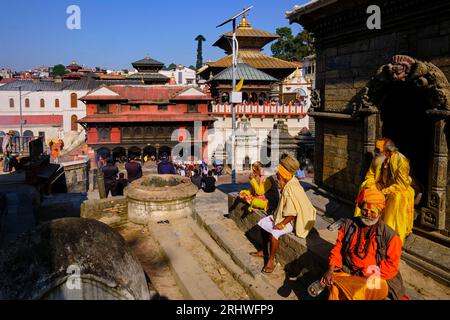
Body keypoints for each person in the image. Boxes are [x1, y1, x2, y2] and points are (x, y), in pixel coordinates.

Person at [322, 187, 405, 300]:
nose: (367, 214)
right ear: (360, 208)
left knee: (358, 292)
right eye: (365, 210)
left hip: (376, 277)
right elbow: (338, 249)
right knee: (334, 285)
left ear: (380, 213)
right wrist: (330, 270)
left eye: (373, 212)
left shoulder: (391, 236)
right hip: (350, 271)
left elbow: (391, 266)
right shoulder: (348, 225)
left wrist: (366, 272)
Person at [253, 154, 316, 273]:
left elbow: (292, 212)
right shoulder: (290, 182)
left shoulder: (290, 188)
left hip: (293, 220)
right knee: (262, 223)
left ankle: (271, 260)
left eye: (278, 175)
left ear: (283, 176)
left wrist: (282, 224)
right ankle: (264, 251)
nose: (277, 177)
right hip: (284, 216)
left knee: (274, 234)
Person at [354, 138, 415, 244]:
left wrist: (383, 192)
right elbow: (370, 175)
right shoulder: (378, 158)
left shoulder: (401, 161)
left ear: (388, 151)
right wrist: (371, 186)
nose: (375, 151)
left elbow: (402, 184)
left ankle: (390, 231)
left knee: (398, 197)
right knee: (365, 187)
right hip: (380, 186)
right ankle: (363, 222)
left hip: (398, 188)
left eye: (378, 149)